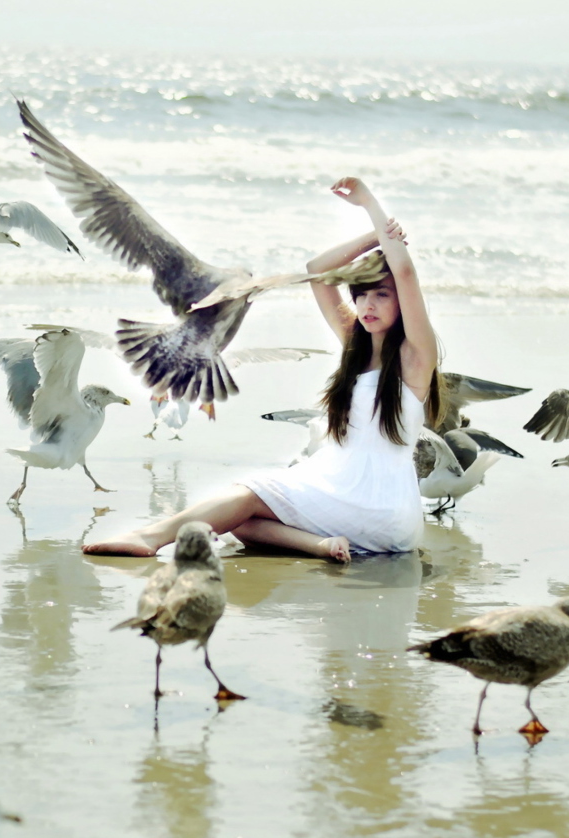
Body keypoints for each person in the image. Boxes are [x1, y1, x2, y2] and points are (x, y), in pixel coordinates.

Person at [82, 177, 441, 562]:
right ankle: (320, 545)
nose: (368, 305)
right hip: (339, 488)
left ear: (402, 303)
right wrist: (373, 238)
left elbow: (404, 273)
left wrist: (370, 204)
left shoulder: (414, 357)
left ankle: (151, 537)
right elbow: (317, 269)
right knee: (236, 516)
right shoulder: (355, 345)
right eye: (362, 294)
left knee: (244, 499)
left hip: (378, 506)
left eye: (381, 295)